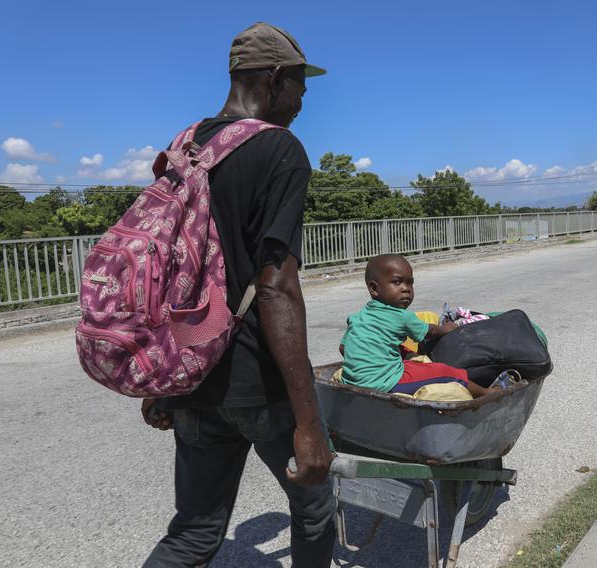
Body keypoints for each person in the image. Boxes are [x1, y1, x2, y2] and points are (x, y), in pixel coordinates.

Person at [140, 22, 336, 568]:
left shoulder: (187, 145)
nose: (302, 99)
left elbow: (162, 268)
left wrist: (160, 377)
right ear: (274, 80)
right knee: (316, 502)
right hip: (258, 382)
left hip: (193, 372)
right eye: (299, 85)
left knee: (194, 535)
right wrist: (308, 423)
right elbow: (275, 288)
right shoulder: (280, 150)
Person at [339, 254, 502, 398]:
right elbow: (430, 331)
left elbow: (343, 348)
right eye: (397, 282)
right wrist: (447, 328)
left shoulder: (357, 317)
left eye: (410, 283)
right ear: (374, 288)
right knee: (445, 371)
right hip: (385, 383)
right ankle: (486, 392)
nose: (406, 289)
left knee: (403, 352)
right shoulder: (401, 316)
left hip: (352, 381)